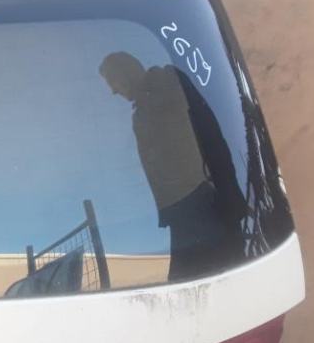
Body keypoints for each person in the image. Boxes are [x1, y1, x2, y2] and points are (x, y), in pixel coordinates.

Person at [99, 52, 247, 281]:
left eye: (112, 81)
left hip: (202, 202)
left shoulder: (169, 81)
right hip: (178, 212)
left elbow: (211, 131)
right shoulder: (140, 113)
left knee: (206, 280)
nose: (113, 91)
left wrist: (231, 194)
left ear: (127, 71)